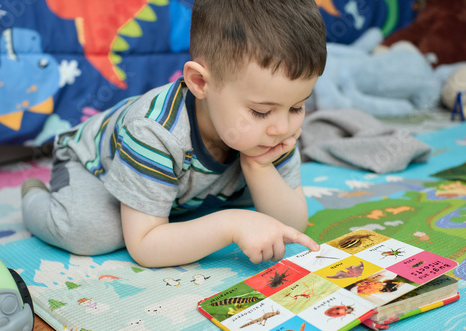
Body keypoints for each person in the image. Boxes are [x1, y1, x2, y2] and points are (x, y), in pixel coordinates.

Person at [21, 0, 327, 267]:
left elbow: (290, 227)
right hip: (94, 164)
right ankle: (34, 195)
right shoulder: (154, 132)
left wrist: (258, 166)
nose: (282, 128)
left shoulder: (272, 128)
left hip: (184, 184)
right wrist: (232, 224)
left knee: (253, 208)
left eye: (298, 106)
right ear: (200, 82)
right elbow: (145, 246)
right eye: (261, 111)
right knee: (93, 231)